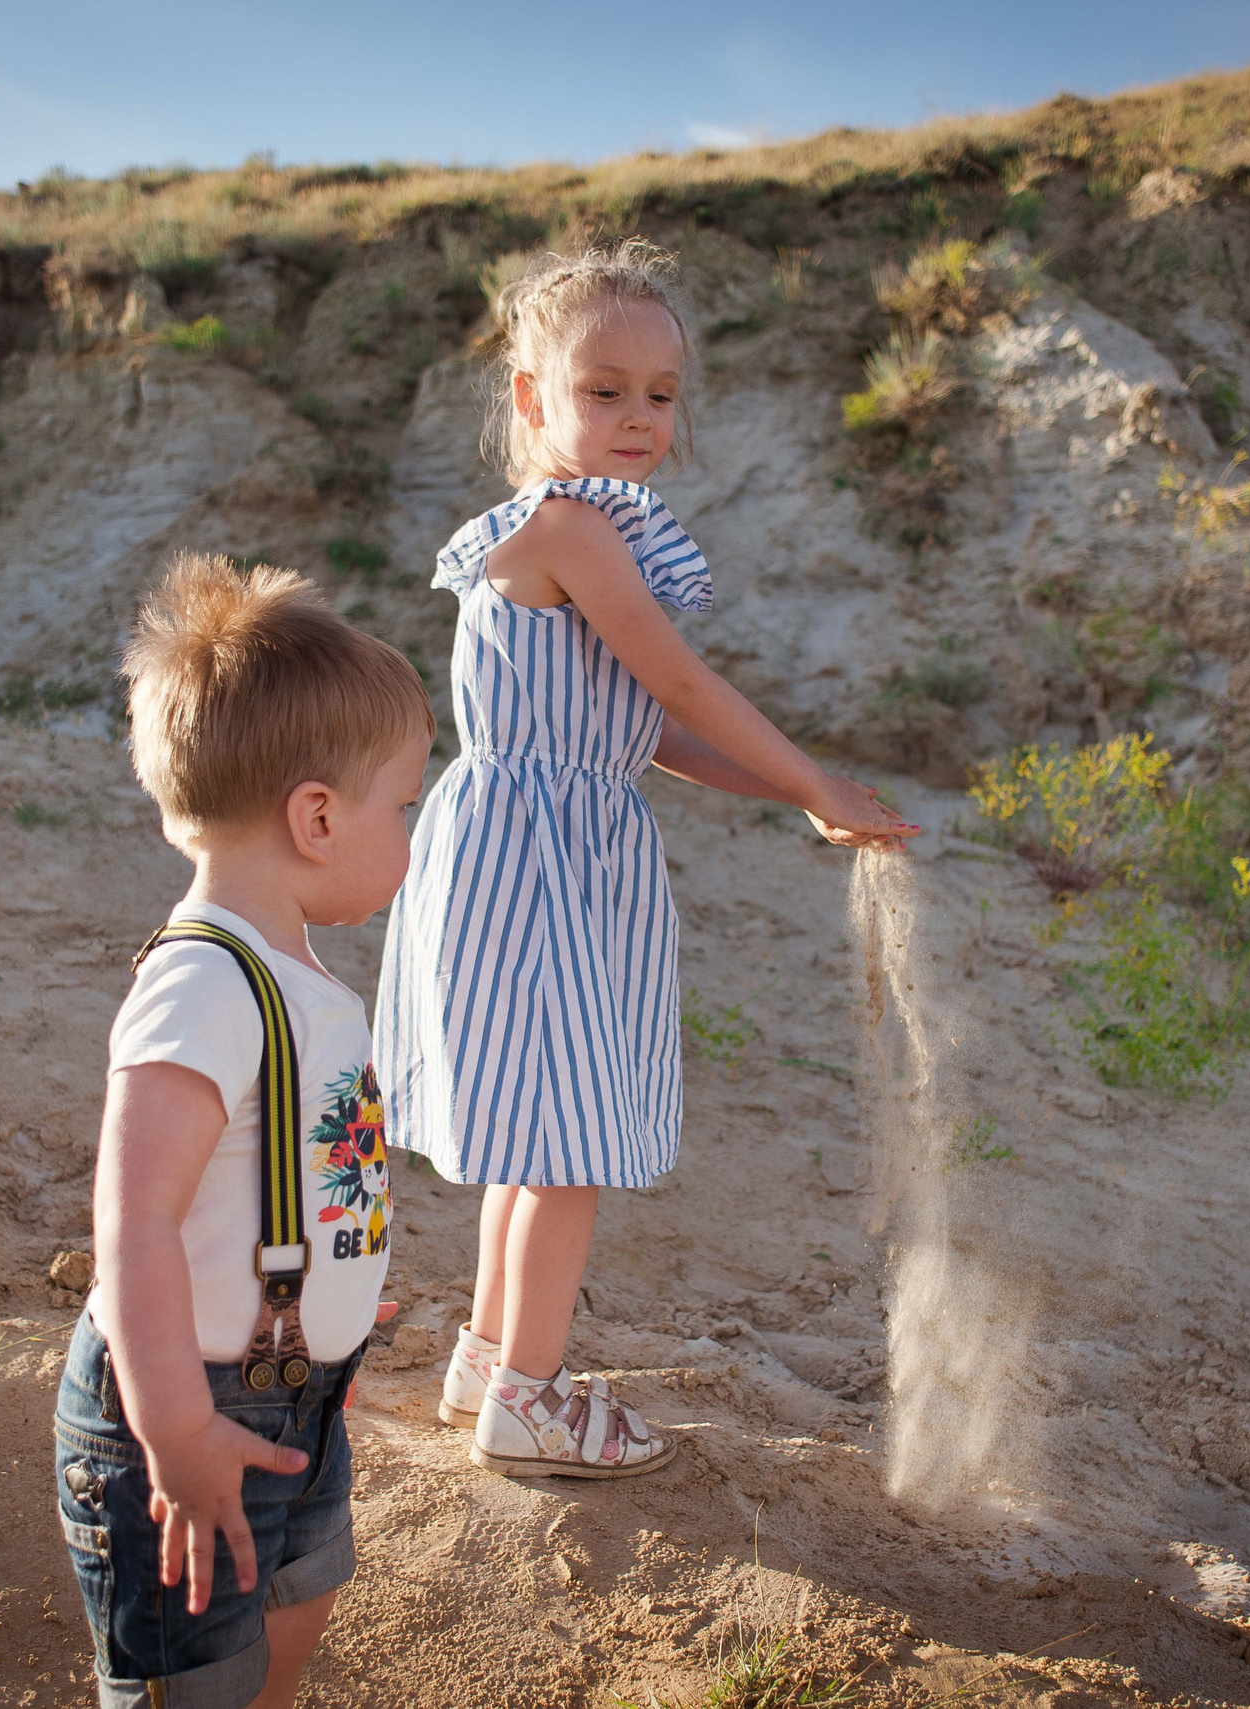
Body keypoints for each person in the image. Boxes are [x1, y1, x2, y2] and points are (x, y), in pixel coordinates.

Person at [374, 240, 918, 1480]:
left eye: (661, 394)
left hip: (560, 842)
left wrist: (798, 801)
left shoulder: (589, 530)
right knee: (560, 1145)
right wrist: (811, 772)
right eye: (603, 389)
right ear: (530, 399)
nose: (638, 417)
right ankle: (531, 1393)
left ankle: (487, 1360)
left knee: (533, 1133)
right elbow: (677, 675)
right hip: (535, 855)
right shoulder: (568, 525)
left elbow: (649, 727)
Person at [54, 552, 433, 1709]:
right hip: (191, 1415)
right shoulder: (204, 984)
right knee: (198, 1677)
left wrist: (331, 1291)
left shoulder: (292, 971)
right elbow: (134, 1221)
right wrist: (172, 1425)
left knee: (292, 1612)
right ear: (316, 816)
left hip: (294, 1399)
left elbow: (284, 1167)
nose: (410, 834)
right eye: (402, 805)